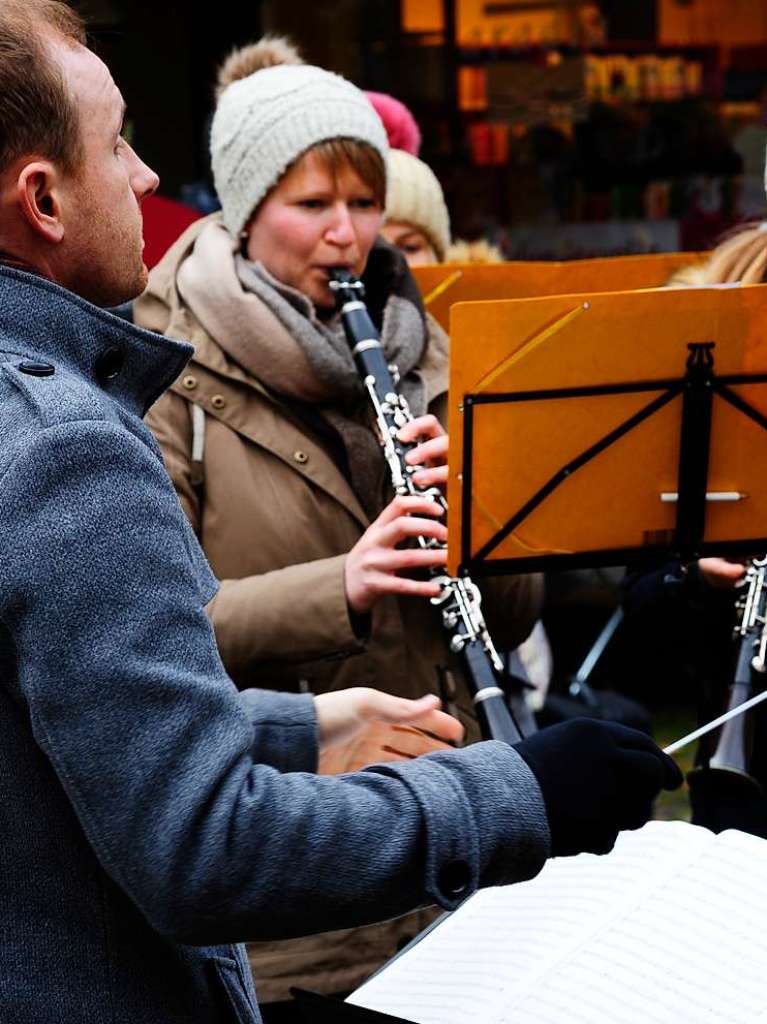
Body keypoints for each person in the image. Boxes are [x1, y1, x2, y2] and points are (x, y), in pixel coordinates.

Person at [0, 5, 682, 1022]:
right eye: (121, 143)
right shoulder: (72, 436)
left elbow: (89, 712)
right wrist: (514, 793)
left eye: (363, 201)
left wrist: (312, 720)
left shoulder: (420, 350)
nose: (146, 180)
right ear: (44, 200)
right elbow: (199, 840)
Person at [137, 39, 549, 1009]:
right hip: (303, 889)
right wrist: (343, 586)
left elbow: (518, 610)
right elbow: (152, 638)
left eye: (363, 204)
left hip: (459, 843)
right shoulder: (164, 367)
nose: (347, 235)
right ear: (244, 210)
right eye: (312, 205)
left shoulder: (422, 346)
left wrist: (481, 524)